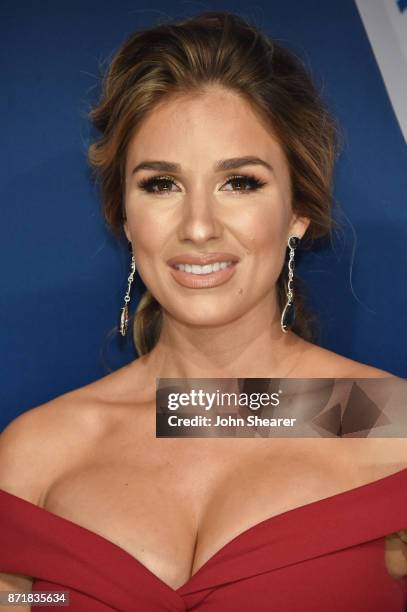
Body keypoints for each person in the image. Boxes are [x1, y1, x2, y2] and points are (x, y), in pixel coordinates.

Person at [1, 10, 406, 612]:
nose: (197, 227)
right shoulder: (41, 451)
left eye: (239, 182)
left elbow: (238, 410)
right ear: (124, 216)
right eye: (161, 184)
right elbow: (34, 604)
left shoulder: (380, 421)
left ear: (298, 210)